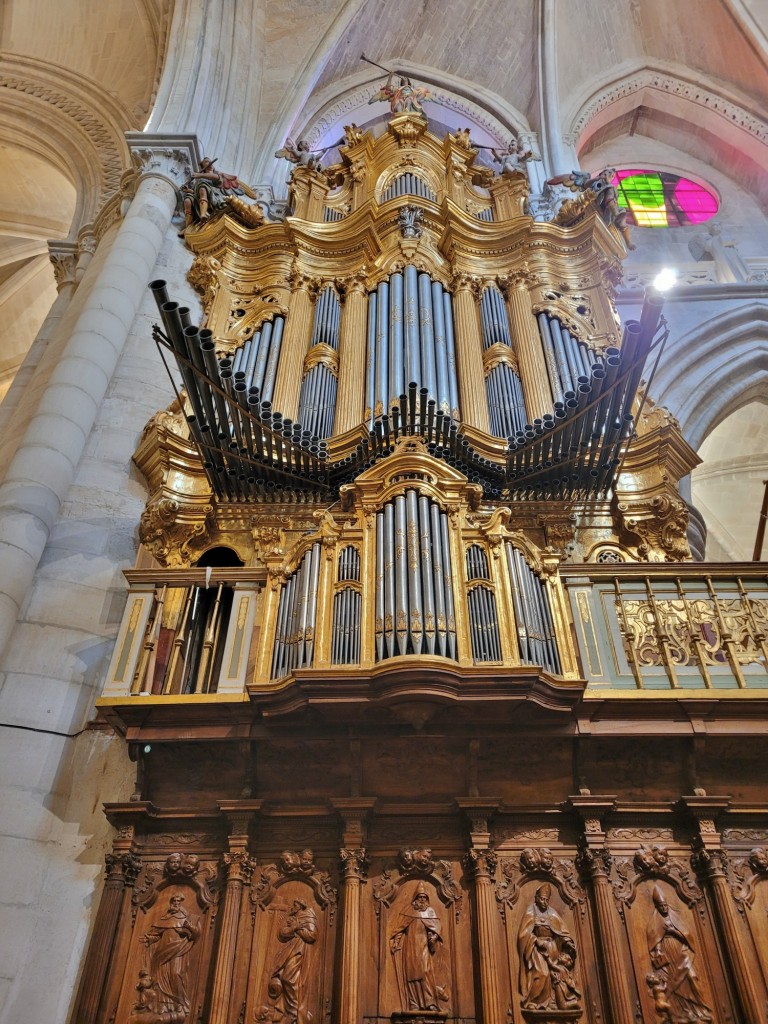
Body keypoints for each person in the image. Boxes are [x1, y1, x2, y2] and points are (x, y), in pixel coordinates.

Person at [646, 886, 712, 1022]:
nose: (664, 908)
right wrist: (658, 950)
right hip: (668, 952)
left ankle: (699, 1010)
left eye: (665, 905)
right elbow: (655, 937)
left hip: (681, 951)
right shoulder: (655, 921)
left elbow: (688, 936)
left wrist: (674, 932)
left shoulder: (675, 918)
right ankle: (681, 1013)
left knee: (691, 977)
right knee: (674, 981)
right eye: (661, 906)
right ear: (657, 907)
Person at [517, 883, 579, 1011]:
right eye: (542, 899)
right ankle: (533, 1001)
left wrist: (567, 942)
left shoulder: (552, 913)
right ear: (536, 898)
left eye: (546, 900)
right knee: (542, 973)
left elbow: (562, 931)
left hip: (553, 947)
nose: (544, 902)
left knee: (555, 975)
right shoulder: (531, 911)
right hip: (537, 948)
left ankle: (553, 1002)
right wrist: (536, 940)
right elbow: (524, 934)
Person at [141, 893, 201, 1020]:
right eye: (174, 901)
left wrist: (188, 927)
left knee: (176, 973)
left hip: (178, 950)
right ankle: (166, 1006)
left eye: (178, 901)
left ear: (181, 904)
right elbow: (157, 934)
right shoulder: (165, 919)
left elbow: (196, 934)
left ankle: (180, 1003)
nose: (175, 903)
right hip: (162, 952)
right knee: (160, 977)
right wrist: (149, 938)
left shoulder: (188, 918)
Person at [389, 882, 447, 1011]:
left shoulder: (430, 912)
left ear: (427, 899)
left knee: (425, 972)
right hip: (410, 947)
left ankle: (430, 1002)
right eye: (419, 897)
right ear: (415, 898)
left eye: (424, 897)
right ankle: (414, 1003)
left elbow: (436, 927)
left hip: (424, 946)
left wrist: (434, 937)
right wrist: (396, 942)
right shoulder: (408, 911)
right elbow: (400, 929)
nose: (422, 900)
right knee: (411, 975)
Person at [268, 898, 318, 1024]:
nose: (293, 907)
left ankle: (292, 1014)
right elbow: (282, 933)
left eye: (295, 904)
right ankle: (291, 1013)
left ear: (301, 906)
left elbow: (312, 935)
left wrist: (297, 929)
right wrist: (292, 929)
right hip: (288, 951)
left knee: (288, 978)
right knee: (287, 979)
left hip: (299, 951)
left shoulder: (308, 916)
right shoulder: (292, 918)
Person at [178, 157, 257, 236]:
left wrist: (200, 175)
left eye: (210, 162)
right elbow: (197, 193)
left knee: (202, 187)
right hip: (202, 198)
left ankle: (203, 214)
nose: (209, 163)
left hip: (215, 196)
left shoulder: (217, 175)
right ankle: (187, 226)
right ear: (202, 166)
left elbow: (216, 178)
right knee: (188, 200)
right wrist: (188, 190)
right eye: (206, 162)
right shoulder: (200, 180)